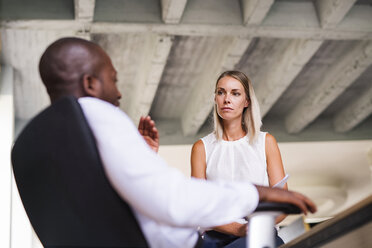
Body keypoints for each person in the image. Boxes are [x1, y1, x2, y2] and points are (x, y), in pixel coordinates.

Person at [38, 37, 316, 248]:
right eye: (114, 79)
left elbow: (127, 200)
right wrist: (257, 194)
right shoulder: (103, 117)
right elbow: (175, 200)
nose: (119, 92)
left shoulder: (48, 139)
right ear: (90, 83)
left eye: (234, 93)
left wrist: (144, 156)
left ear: (246, 101)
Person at [191, 71, 288, 247]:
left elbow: (283, 204)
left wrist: (256, 226)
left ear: (246, 101)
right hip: (215, 240)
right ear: (215, 98)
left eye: (235, 93)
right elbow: (199, 208)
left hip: (259, 235)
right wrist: (238, 229)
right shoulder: (201, 148)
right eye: (221, 92)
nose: (226, 99)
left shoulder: (266, 142)